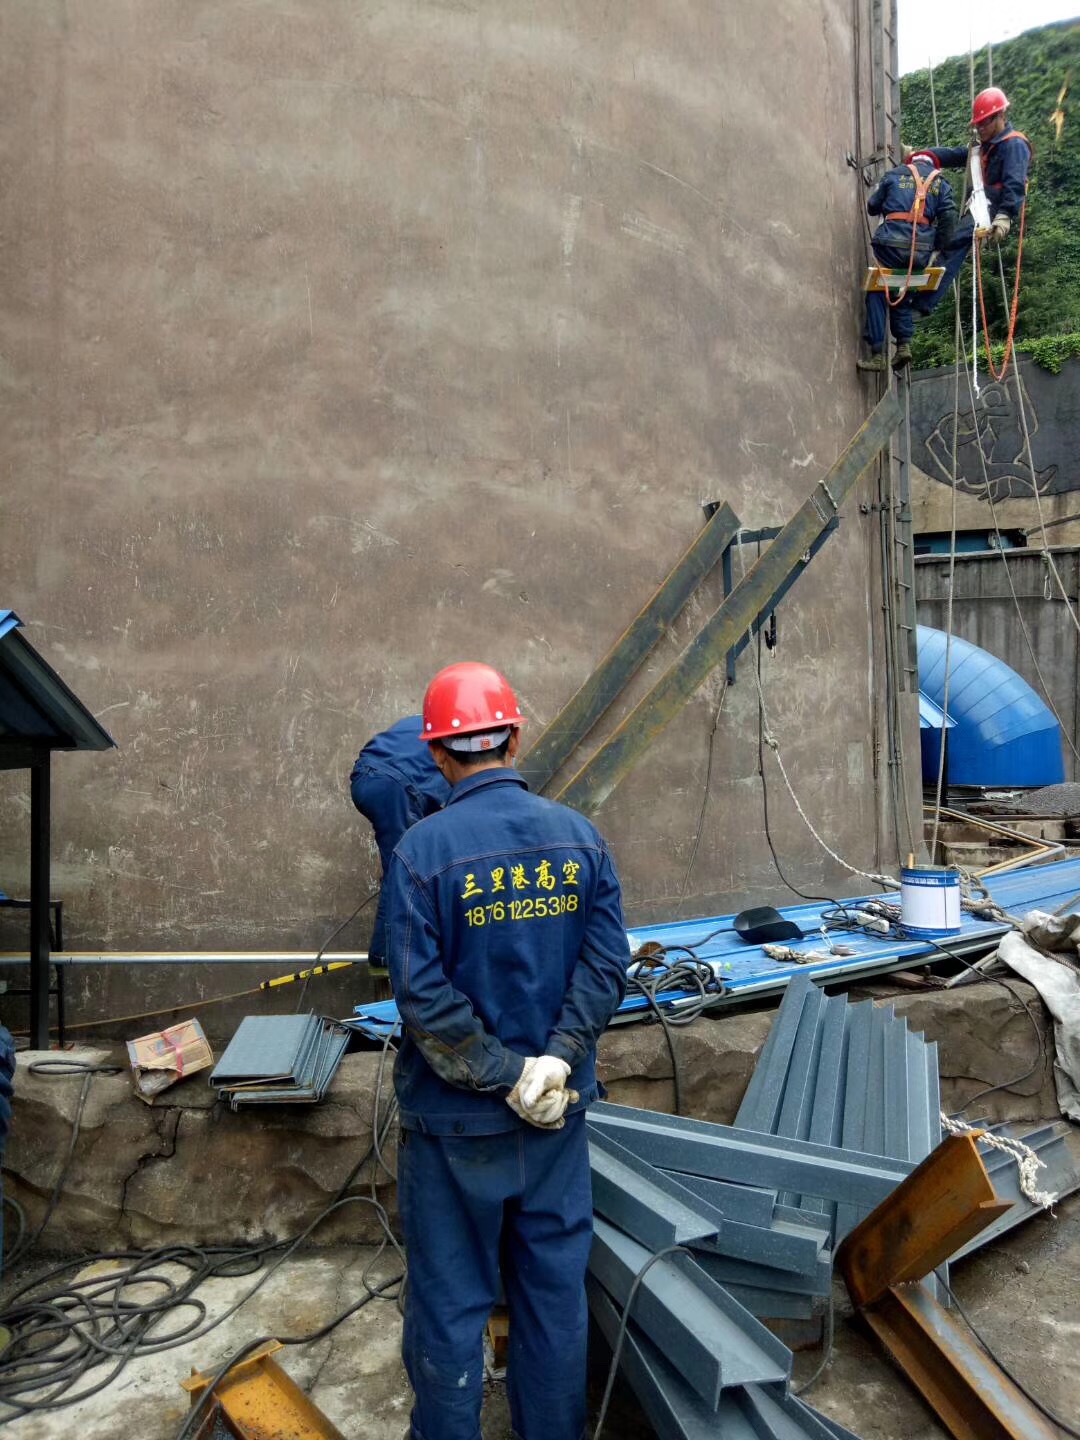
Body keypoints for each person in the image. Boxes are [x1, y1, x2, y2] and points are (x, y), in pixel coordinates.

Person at [383, 662, 630, 1440]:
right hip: (555, 1122)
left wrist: (502, 1071)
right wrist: (552, 1062)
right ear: (515, 736)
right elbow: (605, 966)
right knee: (552, 1300)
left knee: (451, 1306)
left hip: (455, 1129)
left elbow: (422, 999)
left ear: (438, 755)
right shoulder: (580, 837)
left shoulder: (421, 854)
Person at [908, 86, 1031, 320]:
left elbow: (1015, 183)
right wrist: (922, 156)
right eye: (978, 125)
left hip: (991, 207)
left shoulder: (1014, 144)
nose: (980, 129)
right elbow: (954, 155)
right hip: (978, 204)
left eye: (984, 123)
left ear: (1000, 116)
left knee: (955, 244)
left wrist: (1004, 217)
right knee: (942, 237)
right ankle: (917, 285)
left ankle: (922, 304)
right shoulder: (984, 147)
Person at [349, 716, 451, 983]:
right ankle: (384, 957)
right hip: (394, 785)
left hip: (365, 778)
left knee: (400, 865)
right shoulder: (461, 741)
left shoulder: (425, 721)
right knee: (404, 871)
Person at [857, 151, 956, 372]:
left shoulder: (895, 174)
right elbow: (948, 218)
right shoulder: (940, 183)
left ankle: (876, 354)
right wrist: (936, 248)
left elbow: (873, 206)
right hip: (920, 252)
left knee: (878, 292)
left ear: (911, 162)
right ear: (933, 165)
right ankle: (903, 345)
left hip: (889, 246)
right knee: (903, 292)